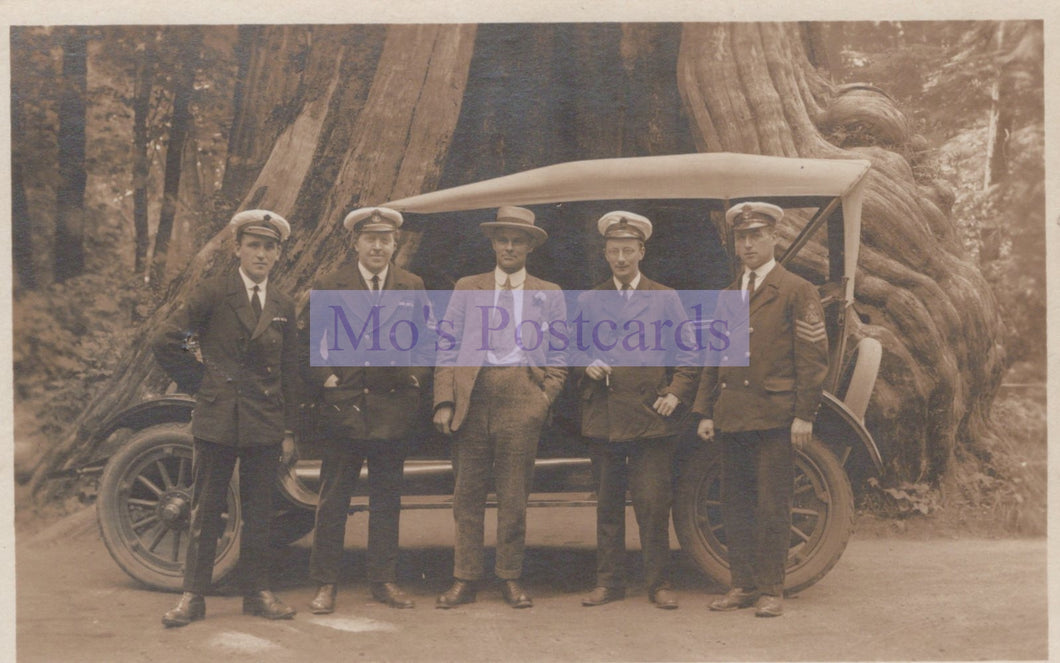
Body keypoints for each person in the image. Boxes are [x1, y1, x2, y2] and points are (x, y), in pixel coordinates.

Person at [153, 209, 299, 627]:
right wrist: (203, 381)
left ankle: (257, 593)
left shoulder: (283, 303)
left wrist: (289, 428)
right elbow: (168, 339)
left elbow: (290, 369)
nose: (261, 254)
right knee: (206, 509)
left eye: (269, 247)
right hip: (219, 416)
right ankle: (193, 597)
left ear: (278, 254)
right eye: (254, 245)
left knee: (260, 512)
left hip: (264, 420)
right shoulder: (213, 293)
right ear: (238, 249)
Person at [693, 202, 829, 618]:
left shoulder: (797, 290)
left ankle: (771, 589)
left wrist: (804, 414)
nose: (748, 244)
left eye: (756, 236)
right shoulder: (728, 294)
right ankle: (742, 585)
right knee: (735, 502)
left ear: (774, 238)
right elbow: (714, 355)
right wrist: (705, 411)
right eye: (742, 237)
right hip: (733, 414)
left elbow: (813, 358)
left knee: (772, 504)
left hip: (775, 415)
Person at [432, 206, 567, 609]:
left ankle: (510, 576)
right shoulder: (467, 287)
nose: (509, 247)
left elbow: (560, 352)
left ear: (530, 246)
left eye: (517, 241)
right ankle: (465, 578)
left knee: (513, 496)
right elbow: (447, 345)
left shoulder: (549, 292)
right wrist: (444, 401)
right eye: (502, 240)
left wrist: (544, 397)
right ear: (492, 243)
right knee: (467, 495)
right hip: (472, 398)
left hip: (522, 397)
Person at [302, 207, 433, 613]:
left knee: (386, 499)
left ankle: (384, 580)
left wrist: (415, 380)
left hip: (392, 409)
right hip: (345, 408)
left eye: (385, 240)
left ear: (395, 244)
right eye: (370, 239)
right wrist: (327, 380)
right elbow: (309, 344)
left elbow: (426, 342)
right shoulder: (330, 285)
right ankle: (325, 583)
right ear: (355, 243)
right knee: (334, 500)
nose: (377, 246)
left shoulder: (411, 285)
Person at [574, 211, 700, 610]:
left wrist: (675, 393)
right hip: (605, 418)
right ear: (605, 253)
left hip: (650, 419)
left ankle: (658, 584)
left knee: (652, 505)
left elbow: (689, 354)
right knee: (608, 506)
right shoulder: (590, 299)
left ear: (641, 252)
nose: (621, 259)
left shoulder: (665, 297)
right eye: (614, 251)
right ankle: (608, 582)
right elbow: (571, 349)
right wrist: (587, 363)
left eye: (628, 250)